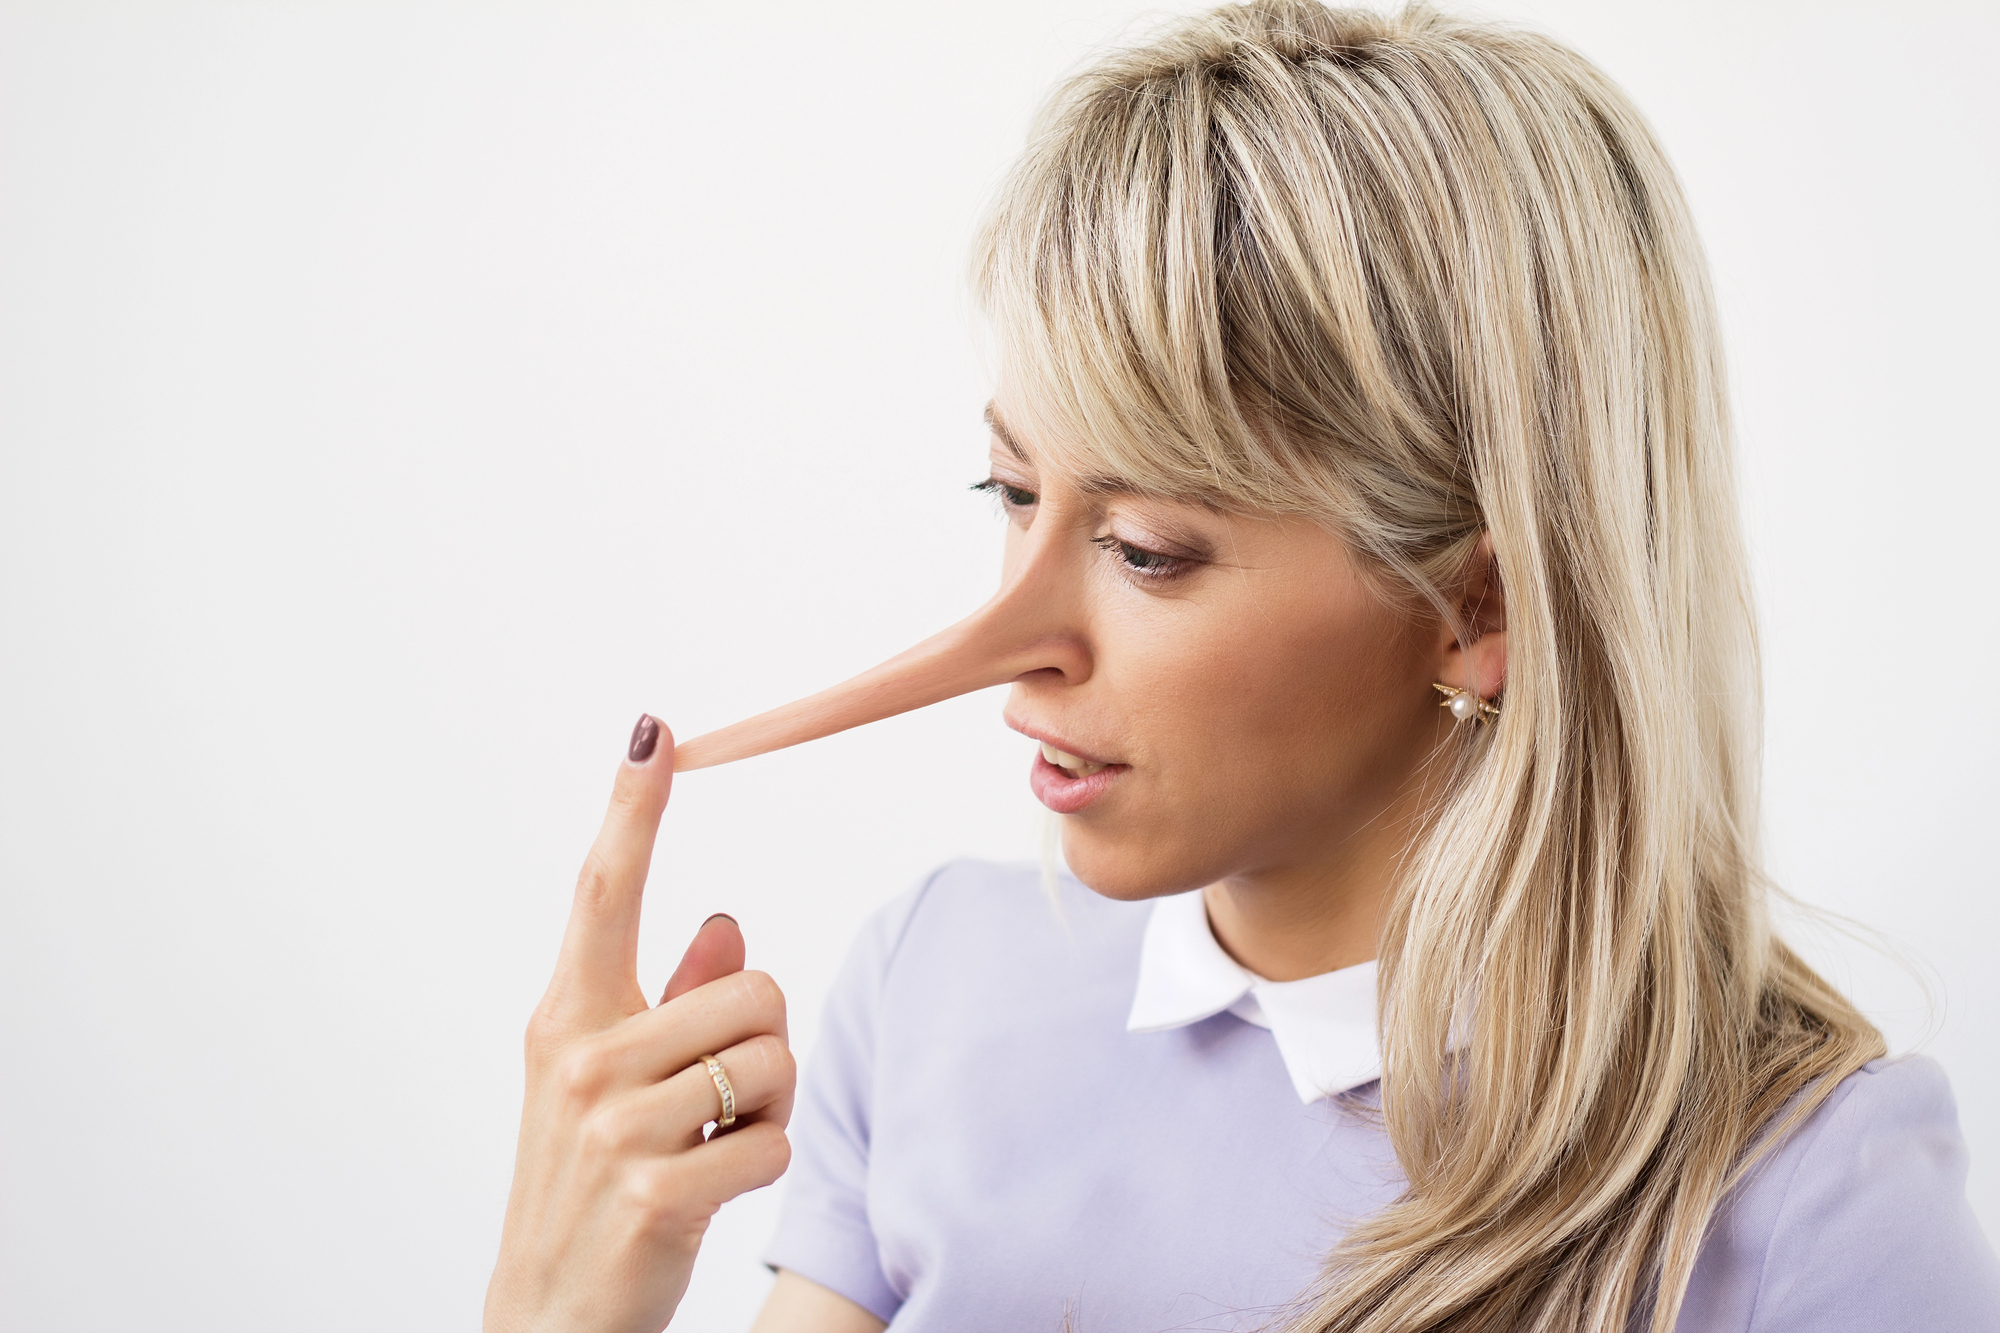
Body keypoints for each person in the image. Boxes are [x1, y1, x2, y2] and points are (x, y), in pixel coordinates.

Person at [482, 3, 2000, 1331]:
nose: (1016, 655)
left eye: (1147, 548)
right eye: (1009, 493)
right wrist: (554, 1308)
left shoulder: (1812, 1196)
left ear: (1479, 605)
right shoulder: (933, 985)